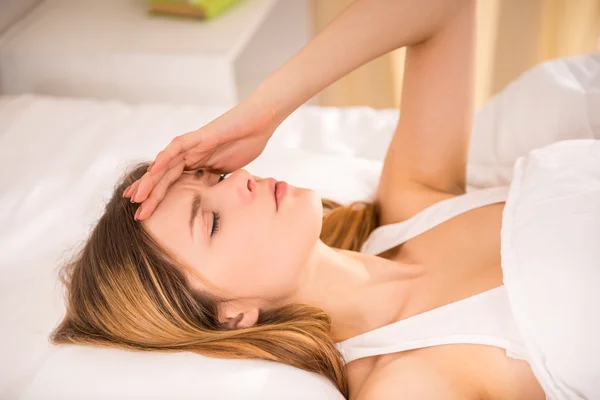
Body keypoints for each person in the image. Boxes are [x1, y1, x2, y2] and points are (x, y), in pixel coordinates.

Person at [51, 0, 546, 398]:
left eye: (212, 176)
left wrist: (266, 108)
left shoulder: (414, 202)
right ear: (232, 316)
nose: (238, 180)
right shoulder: (408, 381)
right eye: (213, 222)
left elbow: (443, 8)